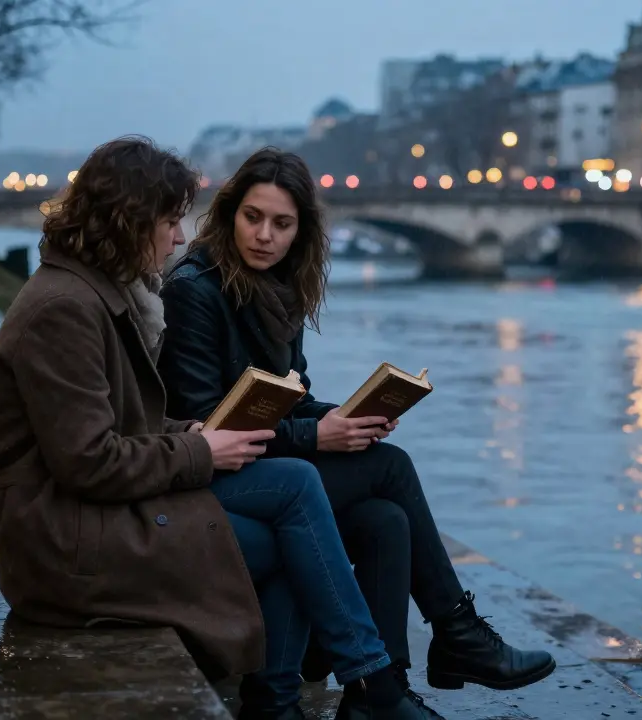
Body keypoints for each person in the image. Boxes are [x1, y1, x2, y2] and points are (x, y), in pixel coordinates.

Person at [0, 136, 428, 720]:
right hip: (62, 542)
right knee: (294, 511)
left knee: (295, 495)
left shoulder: (93, 294)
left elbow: (119, 426)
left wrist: (189, 430)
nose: (181, 237)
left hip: (88, 518)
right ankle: (353, 686)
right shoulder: (64, 310)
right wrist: (199, 449)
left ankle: (310, 693)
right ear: (128, 221)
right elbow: (86, 461)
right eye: (170, 220)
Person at [157, 147, 557, 717]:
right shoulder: (195, 291)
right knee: (390, 468)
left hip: (261, 462)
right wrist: (317, 436)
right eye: (253, 217)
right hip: (211, 473)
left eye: (281, 223)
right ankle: (455, 633)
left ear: (302, 231)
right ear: (228, 215)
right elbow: (207, 420)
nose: (264, 235)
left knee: (384, 519)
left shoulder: (278, 291)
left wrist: (346, 417)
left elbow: (287, 397)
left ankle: (378, 694)